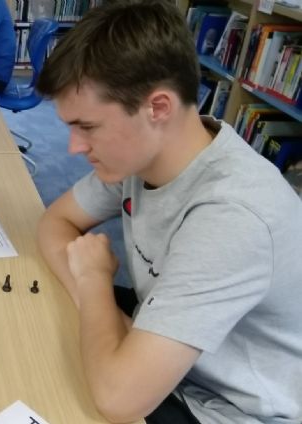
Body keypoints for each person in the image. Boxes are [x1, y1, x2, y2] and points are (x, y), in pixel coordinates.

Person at [35, 1, 302, 423]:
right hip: (167, 346)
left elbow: (119, 398)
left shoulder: (233, 218)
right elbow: (55, 223)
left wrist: (93, 281)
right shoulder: (143, 155)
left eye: (87, 127)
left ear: (157, 107)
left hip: (228, 405)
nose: (73, 147)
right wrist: (108, 316)